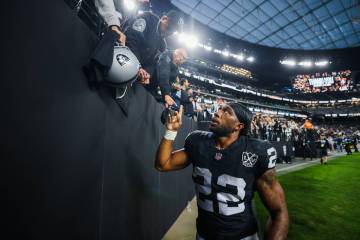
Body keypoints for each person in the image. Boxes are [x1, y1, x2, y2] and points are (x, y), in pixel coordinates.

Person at [155, 103, 289, 240]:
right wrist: (171, 131)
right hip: (204, 235)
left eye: (227, 112)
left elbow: (278, 211)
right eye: (220, 109)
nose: (217, 113)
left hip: (243, 236)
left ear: (239, 126)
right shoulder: (198, 142)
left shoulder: (256, 151)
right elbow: (163, 164)